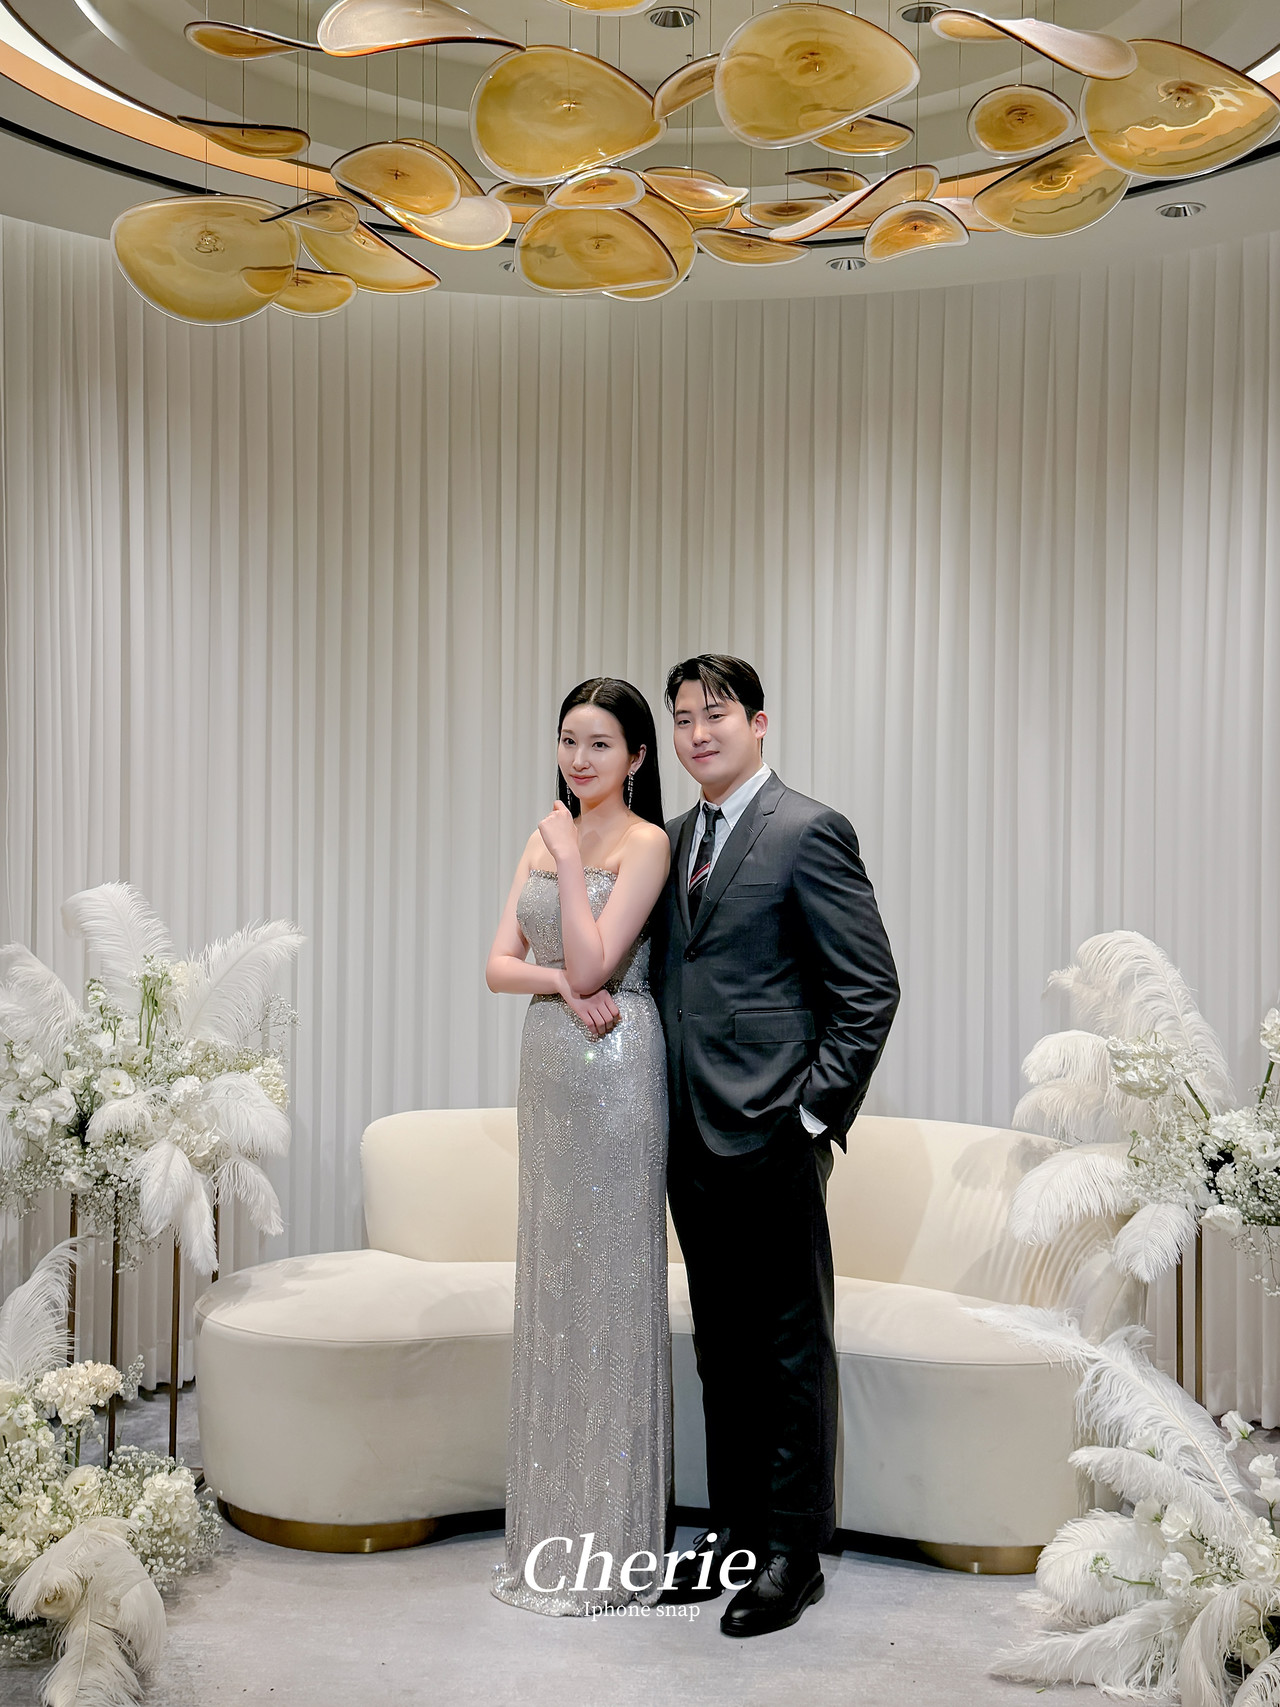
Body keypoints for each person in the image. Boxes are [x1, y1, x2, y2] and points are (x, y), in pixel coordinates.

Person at [650, 654, 900, 1639]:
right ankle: (736, 1532)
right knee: (722, 1348)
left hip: (772, 1138)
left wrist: (808, 1119)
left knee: (789, 1350)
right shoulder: (671, 840)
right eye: (682, 719)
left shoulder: (807, 830)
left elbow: (867, 988)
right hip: (688, 1137)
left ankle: (794, 1554)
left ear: (758, 722)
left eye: (714, 714)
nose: (697, 733)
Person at [485, 677, 673, 1616]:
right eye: (568, 740)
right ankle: (547, 1530)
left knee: (609, 1286)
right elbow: (497, 967)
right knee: (555, 1279)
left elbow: (600, 962)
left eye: (600, 743)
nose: (579, 759)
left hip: (619, 1065)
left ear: (636, 756)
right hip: (553, 1065)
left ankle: (612, 1540)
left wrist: (566, 862)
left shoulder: (645, 842)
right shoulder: (544, 833)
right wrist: (557, 984)